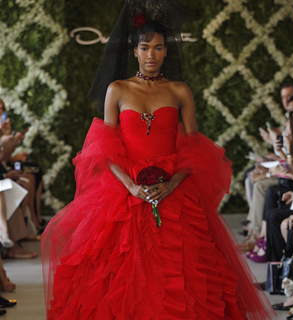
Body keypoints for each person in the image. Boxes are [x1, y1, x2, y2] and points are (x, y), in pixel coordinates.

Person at [42, 1, 276, 319]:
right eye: (145, 47)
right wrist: (130, 187)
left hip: (174, 189)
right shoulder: (118, 89)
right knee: (118, 270)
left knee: (187, 267)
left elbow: (194, 149)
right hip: (124, 191)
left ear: (167, 51)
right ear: (135, 51)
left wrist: (172, 183)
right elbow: (103, 148)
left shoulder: (180, 91)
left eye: (159, 47)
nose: (152, 54)